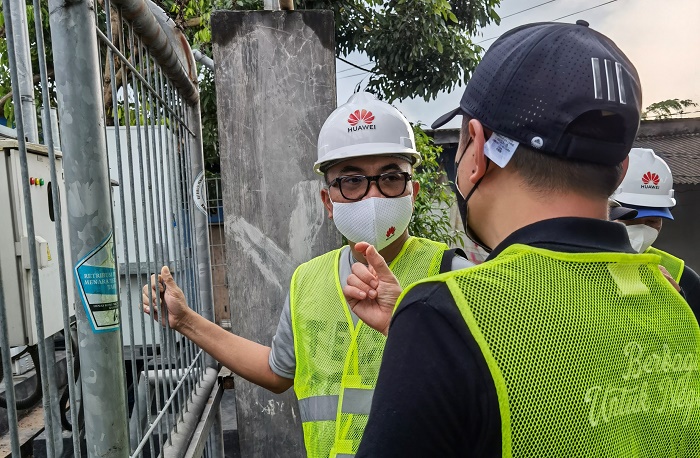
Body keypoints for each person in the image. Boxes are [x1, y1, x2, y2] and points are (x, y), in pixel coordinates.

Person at [344, 21, 700, 456]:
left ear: (475, 148)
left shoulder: (444, 317)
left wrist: (430, 337)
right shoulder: (682, 296)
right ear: (621, 168)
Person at [141, 92, 472, 458]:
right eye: (352, 181)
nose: (373, 195)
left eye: (391, 177)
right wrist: (185, 320)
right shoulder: (308, 280)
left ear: (412, 192)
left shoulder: (453, 275)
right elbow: (276, 371)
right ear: (328, 201)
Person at [613, 147, 700, 308]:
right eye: (629, 218)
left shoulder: (681, 276)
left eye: (652, 222)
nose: (641, 231)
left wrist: (680, 306)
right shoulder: (571, 268)